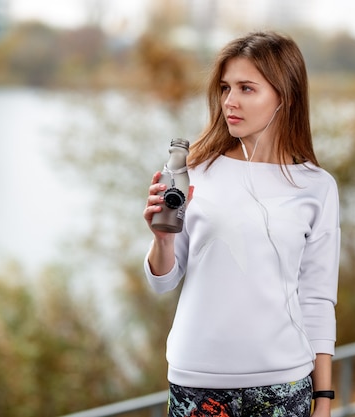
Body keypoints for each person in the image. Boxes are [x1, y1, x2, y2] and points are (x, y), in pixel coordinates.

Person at [142, 31, 340, 417]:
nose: (229, 102)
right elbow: (161, 282)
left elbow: (317, 299)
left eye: (247, 88)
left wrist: (324, 398)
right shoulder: (193, 170)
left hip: (284, 385)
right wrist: (161, 240)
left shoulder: (317, 187)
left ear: (284, 96)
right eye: (225, 88)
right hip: (197, 381)